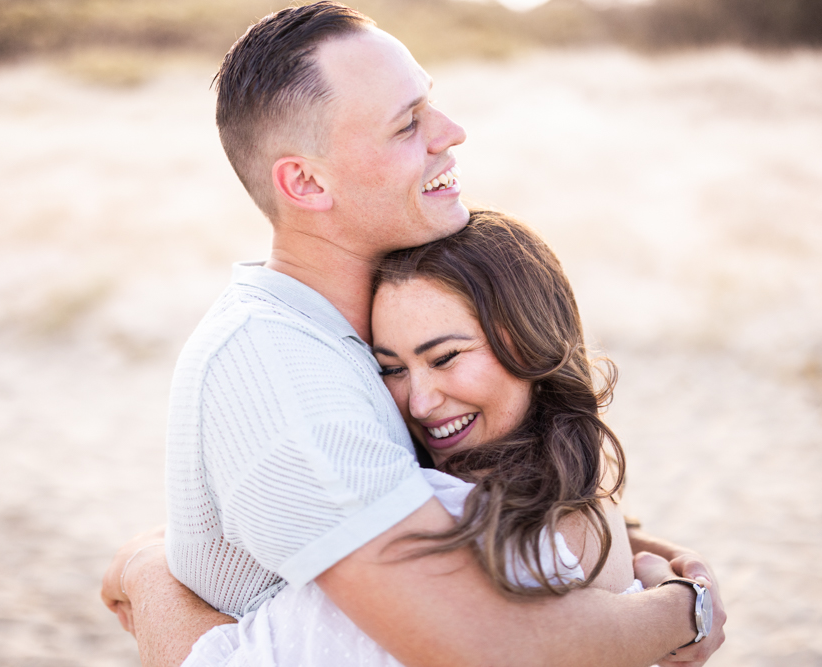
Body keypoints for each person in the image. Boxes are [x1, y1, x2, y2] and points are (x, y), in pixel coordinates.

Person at [100, 3, 727, 666]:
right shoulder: (281, 372)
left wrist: (636, 551)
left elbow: (466, 516)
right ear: (307, 181)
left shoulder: (351, 326)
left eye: (431, 104)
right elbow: (486, 648)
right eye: (407, 124)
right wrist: (685, 609)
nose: (451, 132)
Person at [178, 208, 647, 667]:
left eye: (444, 358)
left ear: (530, 339)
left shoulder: (451, 523)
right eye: (392, 369)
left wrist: (149, 577)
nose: (419, 404)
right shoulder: (591, 500)